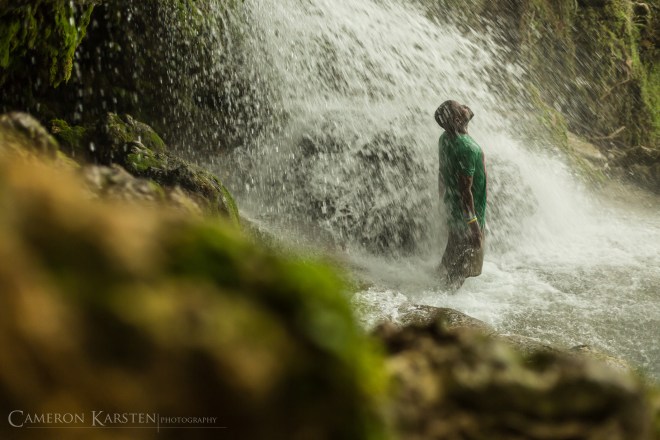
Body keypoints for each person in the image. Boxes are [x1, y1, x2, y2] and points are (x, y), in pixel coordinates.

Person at [435, 100, 487, 289]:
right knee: (461, 268)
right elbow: (466, 193)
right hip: (468, 216)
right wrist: (475, 229)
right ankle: (443, 303)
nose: (466, 106)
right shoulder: (468, 148)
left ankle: (435, 286)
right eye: (462, 107)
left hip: (453, 208)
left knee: (451, 257)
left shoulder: (445, 138)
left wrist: (441, 201)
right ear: (458, 119)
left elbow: (441, 172)